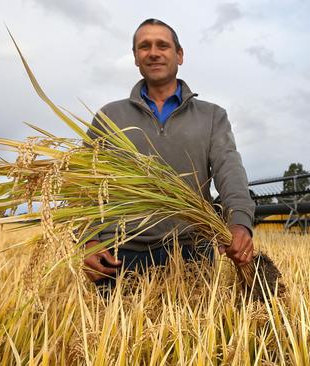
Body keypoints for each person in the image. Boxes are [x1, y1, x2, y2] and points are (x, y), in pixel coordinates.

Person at [83, 18, 255, 287]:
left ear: (179, 55)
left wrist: (240, 222)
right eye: (144, 46)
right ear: (136, 58)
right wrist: (89, 239)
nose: (153, 52)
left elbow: (229, 171)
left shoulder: (212, 116)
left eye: (162, 45)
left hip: (192, 251)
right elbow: (85, 181)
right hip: (120, 255)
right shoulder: (109, 116)